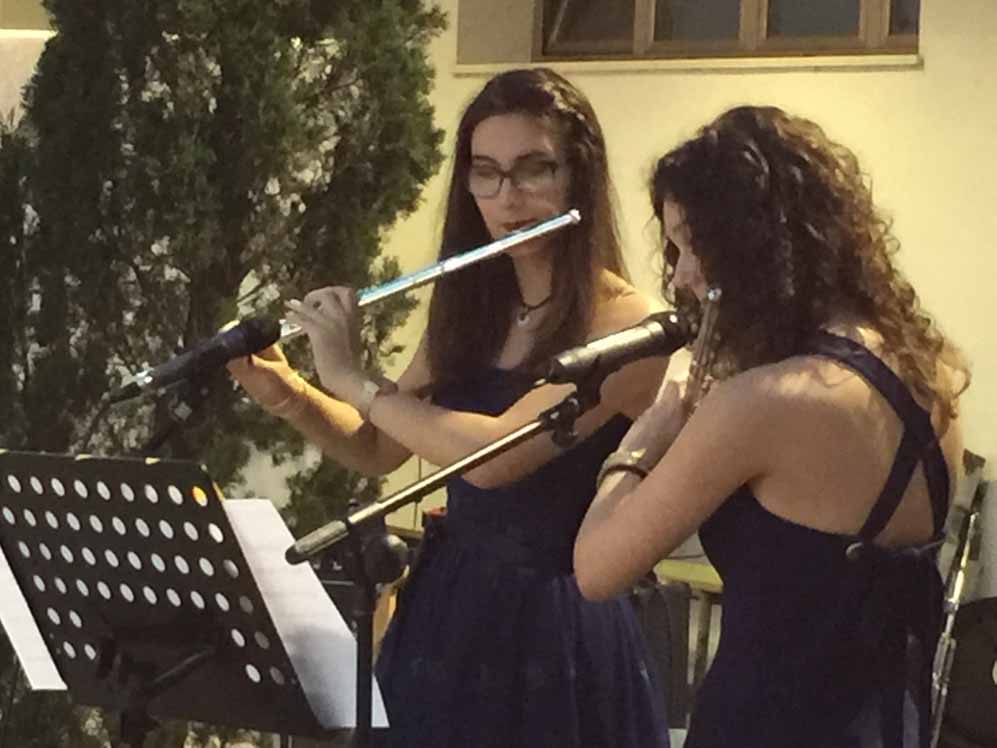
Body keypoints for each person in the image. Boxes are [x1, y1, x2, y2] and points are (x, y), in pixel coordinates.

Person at [229, 68, 671, 747]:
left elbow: (494, 457)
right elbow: (380, 447)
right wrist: (289, 393)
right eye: (485, 174)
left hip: (556, 625)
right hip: (449, 606)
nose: (508, 197)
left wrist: (352, 376)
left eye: (533, 170)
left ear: (578, 176)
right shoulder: (474, 306)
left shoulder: (629, 325)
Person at [573, 105, 970, 748]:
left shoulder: (764, 403)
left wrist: (641, 442)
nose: (681, 276)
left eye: (692, 246)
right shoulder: (934, 372)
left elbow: (597, 570)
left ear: (752, 246)